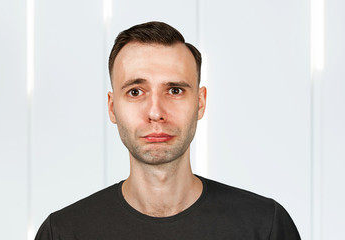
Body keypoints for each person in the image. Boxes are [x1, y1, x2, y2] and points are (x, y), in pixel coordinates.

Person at [35, 21, 301, 240]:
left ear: (200, 103)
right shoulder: (62, 233)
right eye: (136, 92)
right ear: (113, 107)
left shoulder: (265, 226)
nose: (155, 112)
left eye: (174, 90)